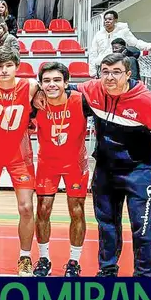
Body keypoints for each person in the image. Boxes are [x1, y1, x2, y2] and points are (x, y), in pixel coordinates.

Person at [74, 53, 151, 277]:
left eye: (116, 72)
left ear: (128, 74)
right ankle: (107, 271)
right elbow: (64, 88)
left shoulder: (146, 101)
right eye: (105, 72)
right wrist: (37, 92)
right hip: (105, 170)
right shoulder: (93, 89)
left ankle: (144, 277)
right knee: (107, 226)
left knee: (142, 229)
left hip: (138, 172)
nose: (110, 77)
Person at [0, 47, 40, 277]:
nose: (4, 70)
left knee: (26, 207)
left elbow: (45, 106)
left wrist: (33, 121)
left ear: (17, 67)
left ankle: (25, 257)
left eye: (8, 66)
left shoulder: (30, 86)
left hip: (19, 154)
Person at [31, 62, 90, 277]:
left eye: (57, 80)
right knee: (43, 210)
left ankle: (74, 261)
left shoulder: (81, 101)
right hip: (47, 164)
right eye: (46, 81)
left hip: (75, 165)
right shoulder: (36, 103)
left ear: (66, 82)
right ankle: (44, 258)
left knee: (76, 211)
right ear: (40, 84)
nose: (52, 85)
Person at [88, 10, 151, 74]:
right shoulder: (98, 34)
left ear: (115, 20)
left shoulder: (123, 32)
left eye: (110, 19)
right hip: (102, 67)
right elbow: (93, 53)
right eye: (105, 19)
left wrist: (150, 46)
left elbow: (135, 43)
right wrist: (92, 71)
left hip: (119, 66)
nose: (107, 21)